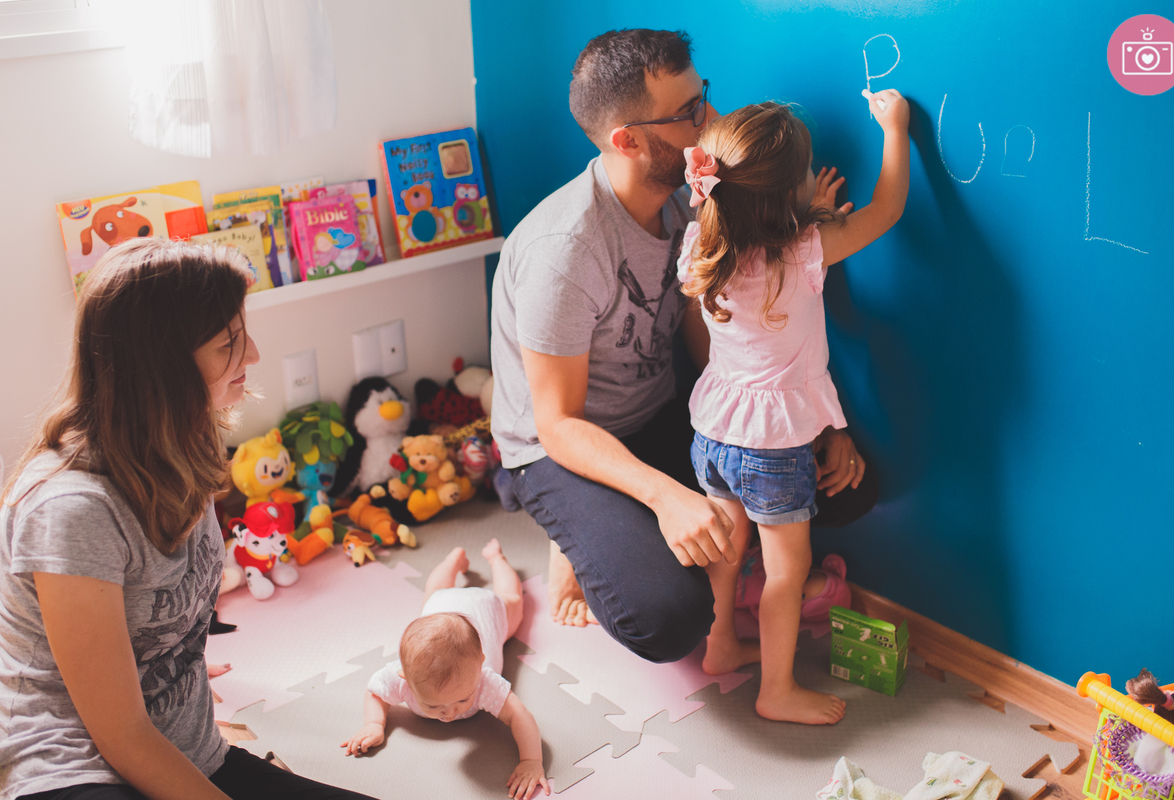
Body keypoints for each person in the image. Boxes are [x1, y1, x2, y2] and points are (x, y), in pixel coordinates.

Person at [489, 28, 879, 664]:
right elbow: (556, 424)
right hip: (559, 449)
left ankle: (635, 535)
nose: (715, 122)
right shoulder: (565, 251)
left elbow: (719, 340)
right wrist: (666, 498)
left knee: (843, 485)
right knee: (668, 620)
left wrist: (813, 426)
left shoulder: (694, 204)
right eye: (690, 113)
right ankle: (571, 536)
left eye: (704, 98)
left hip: (664, 414)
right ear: (628, 141)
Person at [0, 238, 377, 800]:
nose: (252, 355)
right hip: (74, 767)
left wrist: (177, 669)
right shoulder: (71, 511)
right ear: (162, 366)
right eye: (229, 342)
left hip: (183, 750)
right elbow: (122, 735)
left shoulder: (191, 443)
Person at [679, 94, 910, 723]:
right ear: (788, 199)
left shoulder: (701, 242)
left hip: (714, 430)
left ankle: (722, 643)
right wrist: (895, 128)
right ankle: (776, 691)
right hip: (773, 447)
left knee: (729, 547)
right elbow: (888, 208)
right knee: (787, 570)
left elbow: (766, 229)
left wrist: (808, 213)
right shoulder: (808, 252)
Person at [341, 540, 548, 800]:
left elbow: (520, 716)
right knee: (434, 591)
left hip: (486, 608)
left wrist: (531, 760)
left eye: (463, 699)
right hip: (441, 604)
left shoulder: (483, 680)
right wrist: (374, 723)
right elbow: (375, 692)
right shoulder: (401, 677)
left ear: (481, 662)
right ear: (405, 678)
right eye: (433, 705)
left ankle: (496, 558)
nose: (450, 713)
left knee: (513, 600)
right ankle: (454, 560)